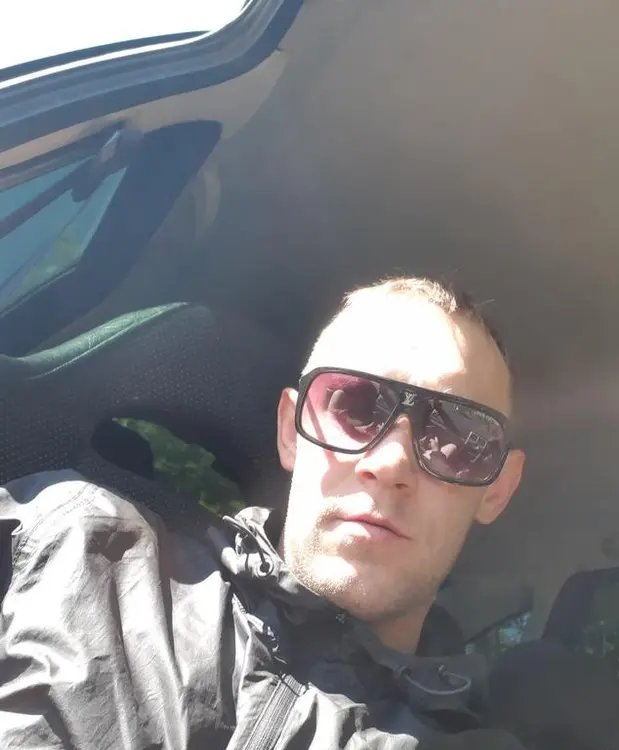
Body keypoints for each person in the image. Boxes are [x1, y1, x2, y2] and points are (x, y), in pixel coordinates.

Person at [0, 276, 526, 749]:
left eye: (458, 437)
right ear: (290, 432)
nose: (390, 464)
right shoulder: (68, 540)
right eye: (356, 406)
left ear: (497, 491)